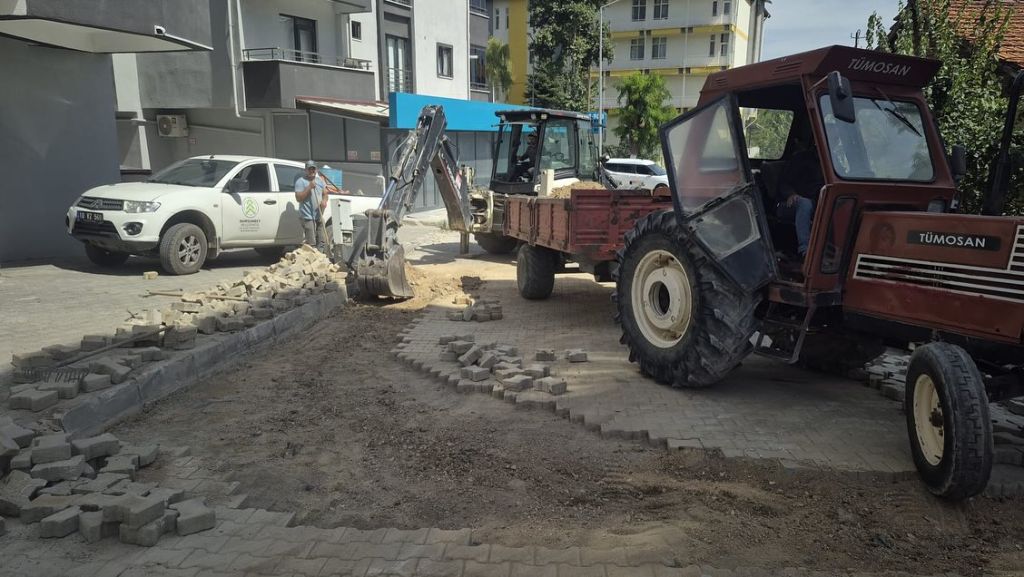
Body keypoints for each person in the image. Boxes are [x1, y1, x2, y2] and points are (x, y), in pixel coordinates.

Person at [775, 134, 824, 259]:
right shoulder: (800, 159)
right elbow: (784, 182)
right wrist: (791, 194)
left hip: (817, 203)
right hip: (789, 204)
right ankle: (805, 250)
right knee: (804, 203)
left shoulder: (830, 162)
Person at [294, 160, 329, 251]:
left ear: (316, 170)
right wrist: (309, 187)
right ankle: (311, 261)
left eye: (313, 169)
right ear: (306, 170)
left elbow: (325, 193)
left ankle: (320, 260)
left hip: (319, 215)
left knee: (321, 241)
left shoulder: (320, 181)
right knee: (311, 243)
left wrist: (324, 201)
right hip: (307, 216)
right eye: (310, 169)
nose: (312, 171)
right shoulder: (300, 181)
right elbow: (298, 198)